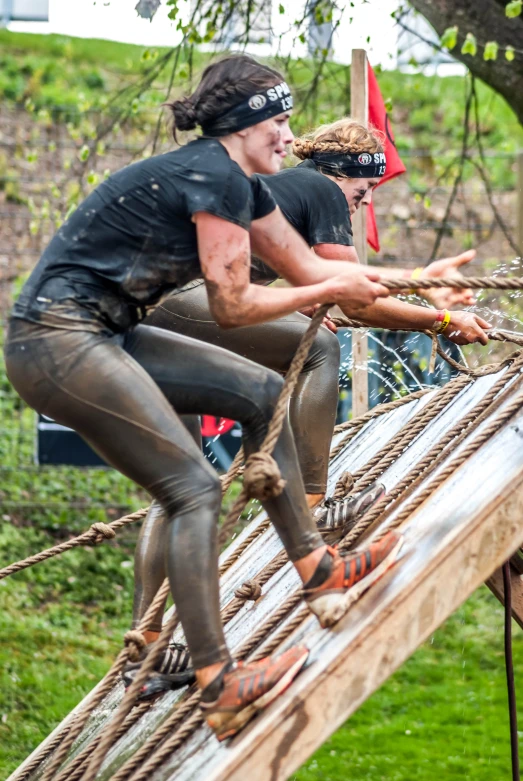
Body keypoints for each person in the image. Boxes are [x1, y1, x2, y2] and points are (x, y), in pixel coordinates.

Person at [5, 55, 406, 741]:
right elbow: (233, 303)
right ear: (246, 125)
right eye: (278, 122)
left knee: (257, 390)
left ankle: (318, 569)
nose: (289, 138)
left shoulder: (243, 184)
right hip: (55, 340)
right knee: (193, 488)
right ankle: (217, 680)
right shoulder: (213, 174)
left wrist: (423, 283)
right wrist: (335, 295)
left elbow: (312, 268)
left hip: (106, 330)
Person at [127, 117, 491, 699]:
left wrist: (423, 292)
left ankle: (144, 644)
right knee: (319, 345)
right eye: (361, 194)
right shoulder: (319, 189)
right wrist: (442, 316)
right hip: (179, 299)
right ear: (339, 177)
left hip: (138, 311)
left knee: (179, 485)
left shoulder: (284, 195)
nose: (359, 207)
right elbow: (355, 308)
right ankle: (313, 506)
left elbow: (344, 294)